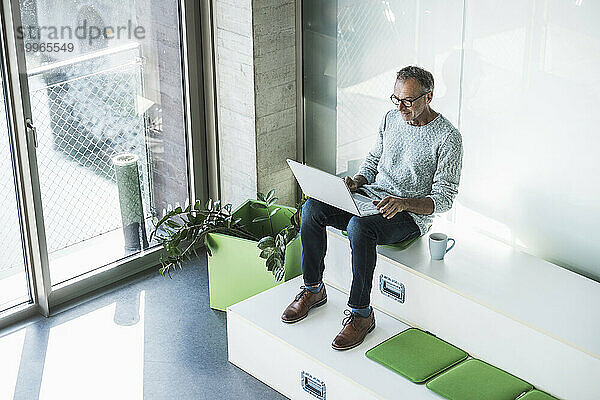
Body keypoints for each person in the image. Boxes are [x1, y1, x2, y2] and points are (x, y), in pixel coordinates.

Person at [281, 66, 463, 350]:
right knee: (313, 208)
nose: (401, 107)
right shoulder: (391, 118)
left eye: (408, 101)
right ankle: (313, 289)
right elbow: (373, 160)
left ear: (428, 97)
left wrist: (403, 203)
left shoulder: (448, 137)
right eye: (396, 99)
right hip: (373, 197)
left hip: (409, 216)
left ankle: (361, 314)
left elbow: (445, 198)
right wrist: (357, 182)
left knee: (359, 227)